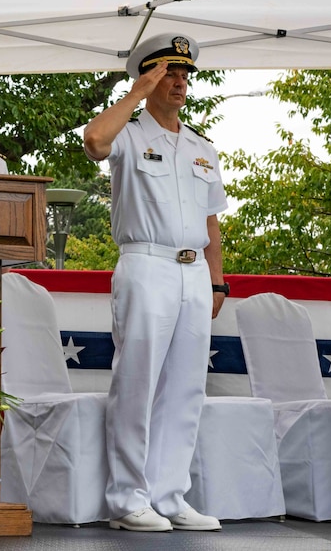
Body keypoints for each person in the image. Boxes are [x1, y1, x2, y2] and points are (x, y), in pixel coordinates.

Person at [83, 33, 227, 533]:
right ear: (148, 77)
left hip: (193, 273)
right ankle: (128, 497)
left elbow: (212, 222)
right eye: (169, 72)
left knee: (186, 388)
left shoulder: (201, 147)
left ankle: (170, 494)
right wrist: (135, 94)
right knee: (137, 382)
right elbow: (95, 141)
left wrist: (218, 282)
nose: (180, 81)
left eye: (184, 73)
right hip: (146, 264)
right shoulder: (129, 132)